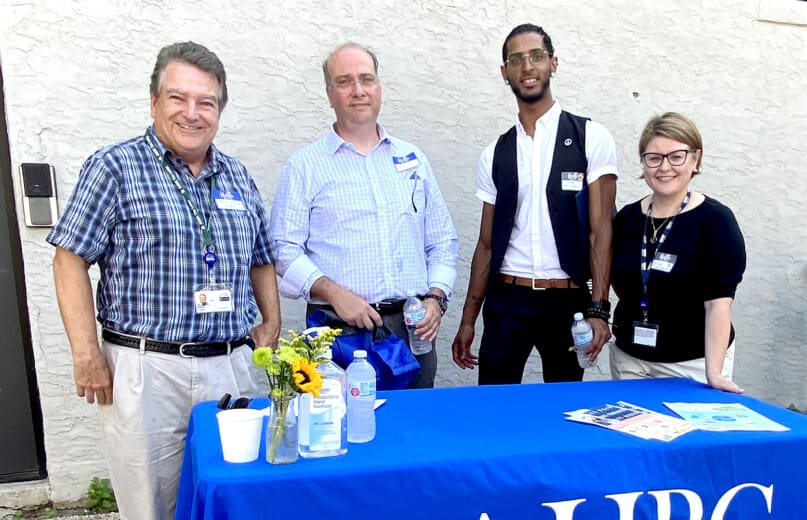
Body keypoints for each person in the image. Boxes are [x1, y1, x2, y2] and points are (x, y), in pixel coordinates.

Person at [46, 42, 279, 520]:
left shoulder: (236, 175)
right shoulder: (114, 168)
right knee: (151, 505)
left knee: (233, 496)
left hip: (229, 367)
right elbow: (69, 257)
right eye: (178, 98)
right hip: (146, 368)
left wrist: (270, 322)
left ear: (219, 109)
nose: (192, 113)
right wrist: (86, 353)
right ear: (154, 102)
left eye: (206, 102)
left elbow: (261, 259)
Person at [270, 42, 459, 389]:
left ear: (379, 87)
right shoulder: (304, 166)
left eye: (366, 79)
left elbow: (443, 241)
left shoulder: (412, 158)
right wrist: (334, 293)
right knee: (341, 436)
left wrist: (437, 297)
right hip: (337, 336)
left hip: (411, 332)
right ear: (329, 93)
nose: (358, 91)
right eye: (344, 82)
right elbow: (283, 250)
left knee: (415, 437)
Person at [451, 23, 618, 385]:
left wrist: (599, 309)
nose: (527, 67)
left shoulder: (590, 137)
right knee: (495, 409)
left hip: (568, 302)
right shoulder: (495, 152)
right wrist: (468, 319)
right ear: (504, 72)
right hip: (507, 299)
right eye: (517, 59)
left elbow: (601, 230)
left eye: (537, 57)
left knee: (561, 412)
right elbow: (485, 244)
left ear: (553, 64)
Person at [610, 112, 746, 393]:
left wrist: (714, 371)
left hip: (691, 366)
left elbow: (719, 304)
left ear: (695, 159)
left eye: (676, 156)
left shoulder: (715, 222)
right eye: (654, 157)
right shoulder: (627, 218)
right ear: (643, 163)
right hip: (630, 361)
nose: (664, 167)